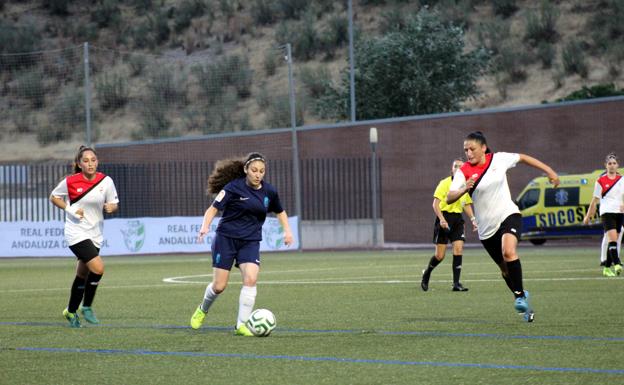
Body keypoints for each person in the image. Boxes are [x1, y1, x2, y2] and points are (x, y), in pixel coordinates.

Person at [447, 131, 559, 322]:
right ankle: (521, 297)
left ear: (483, 148)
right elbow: (450, 197)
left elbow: (523, 158)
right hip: (486, 229)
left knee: (509, 252)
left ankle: (520, 296)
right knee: (505, 269)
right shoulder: (463, 171)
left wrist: (549, 171)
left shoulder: (498, 159)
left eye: (472, 149)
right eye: (466, 150)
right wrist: (465, 187)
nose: (468, 153)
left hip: (508, 215)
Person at [190, 152, 294, 336]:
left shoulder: (269, 192)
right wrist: (205, 226)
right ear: (246, 169)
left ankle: (241, 325)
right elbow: (213, 209)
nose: (258, 174)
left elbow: (281, 211)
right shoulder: (233, 188)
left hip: (251, 241)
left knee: (251, 279)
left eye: (262, 171)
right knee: (219, 286)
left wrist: (287, 231)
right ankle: (202, 309)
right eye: (254, 170)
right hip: (226, 239)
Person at [50, 145, 119, 328]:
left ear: (97, 162)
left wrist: (112, 207)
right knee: (98, 268)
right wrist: (70, 209)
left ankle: (70, 311)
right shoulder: (71, 181)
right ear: (79, 164)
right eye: (86, 161)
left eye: (93, 160)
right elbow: (54, 197)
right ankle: (86, 306)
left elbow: (114, 203)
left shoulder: (106, 181)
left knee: (82, 275)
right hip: (76, 232)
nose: (90, 164)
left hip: (95, 233)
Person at [421, 158, 477, 292]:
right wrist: (441, 219)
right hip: (444, 218)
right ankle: (427, 273)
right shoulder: (444, 183)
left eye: (461, 167)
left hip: (457, 220)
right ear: (452, 169)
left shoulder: (465, 186)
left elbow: (466, 204)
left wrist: (473, 219)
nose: (458, 168)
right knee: (440, 256)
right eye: (455, 166)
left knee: (458, 249)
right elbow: (435, 204)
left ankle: (456, 284)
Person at [583, 153, 624, 277]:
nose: (612, 166)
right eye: (609, 163)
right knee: (612, 239)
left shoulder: (621, 179)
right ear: (605, 165)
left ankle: (606, 268)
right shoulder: (600, 181)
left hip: (619, 212)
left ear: (618, 165)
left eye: (614, 163)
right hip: (607, 212)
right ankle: (616, 264)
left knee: (615, 239)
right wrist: (588, 216)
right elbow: (594, 201)